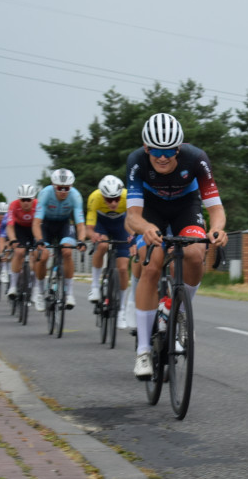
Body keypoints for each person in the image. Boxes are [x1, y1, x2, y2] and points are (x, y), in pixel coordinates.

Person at [125, 113, 228, 379]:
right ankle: (144, 350)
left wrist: (216, 229)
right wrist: (145, 228)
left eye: (169, 150)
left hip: (185, 207)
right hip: (151, 211)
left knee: (195, 252)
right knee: (151, 264)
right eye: (155, 150)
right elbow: (133, 215)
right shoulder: (136, 161)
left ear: (178, 148)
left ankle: (181, 311)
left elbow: (215, 208)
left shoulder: (196, 159)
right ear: (146, 148)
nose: (162, 156)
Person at [32, 169, 87, 311]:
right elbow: (36, 223)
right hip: (46, 225)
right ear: (53, 185)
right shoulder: (45, 193)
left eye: (66, 188)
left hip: (64, 225)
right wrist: (39, 240)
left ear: (71, 187)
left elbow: (80, 224)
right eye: (59, 188)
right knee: (43, 256)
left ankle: (69, 293)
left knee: (67, 252)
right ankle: (39, 291)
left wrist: (81, 240)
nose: (63, 191)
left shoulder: (75, 196)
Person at [86, 175, 132, 329]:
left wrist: (133, 237)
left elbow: (133, 220)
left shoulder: (127, 196)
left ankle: (122, 311)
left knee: (123, 268)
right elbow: (90, 226)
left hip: (122, 224)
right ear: (102, 195)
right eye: (108, 199)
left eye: (116, 199)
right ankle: (94, 286)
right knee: (103, 245)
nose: (113, 203)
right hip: (102, 224)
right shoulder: (95, 197)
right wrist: (93, 235)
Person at [4, 184, 39, 302]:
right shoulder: (13, 206)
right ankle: (13, 286)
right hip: (20, 229)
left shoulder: (38, 205)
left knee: (36, 256)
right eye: (23, 200)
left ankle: (34, 289)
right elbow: (10, 226)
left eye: (29, 199)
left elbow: (42, 224)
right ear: (19, 199)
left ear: (33, 199)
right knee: (19, 252)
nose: (26, 203)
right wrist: (13, 240)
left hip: (34, 229)